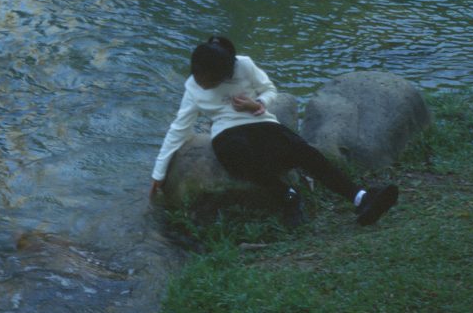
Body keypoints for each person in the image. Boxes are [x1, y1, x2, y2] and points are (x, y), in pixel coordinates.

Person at [149, 36, 398, 227]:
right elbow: (179, 128)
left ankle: (360, 197)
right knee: (236, 153)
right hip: (227, 132)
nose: (200, 83)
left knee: (301, 150)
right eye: (197, 75)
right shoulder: (193, 88)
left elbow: (269, 89)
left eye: (209, 80)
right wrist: (159, 173)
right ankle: (287, 195)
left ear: (226, 75)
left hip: (260, 122)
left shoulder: (244, 65)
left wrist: (256, 105)